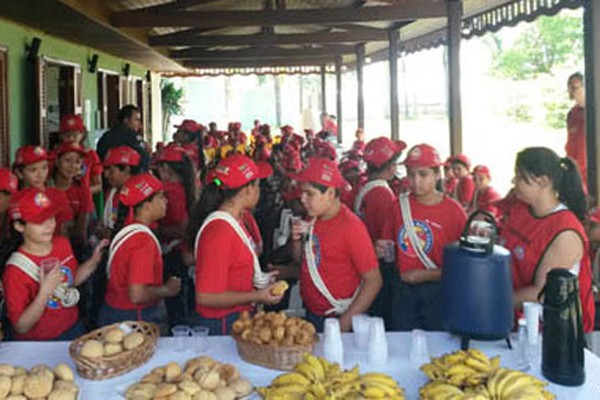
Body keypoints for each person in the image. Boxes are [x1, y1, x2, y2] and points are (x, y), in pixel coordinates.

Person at [499, 147, 595, 333]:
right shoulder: (520, 208)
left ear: (543, 182)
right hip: (514, 318)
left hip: (555, 332)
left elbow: (540, 292)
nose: (513, 181)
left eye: (519, 177)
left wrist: (490, 302)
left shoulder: (565, 231)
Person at [189, 155, 283, 335]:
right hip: (222, 324)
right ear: (248, 189)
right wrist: (258, 296)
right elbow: (205, 297)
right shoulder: (219, 231)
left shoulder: (236, 220)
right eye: (257, 185)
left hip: (237, 318)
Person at [381, 144, 467, 331]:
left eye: (423, 174)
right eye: (411, 174)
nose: (415, 181)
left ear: (437, 175)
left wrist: (425, 275)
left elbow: (462, 266)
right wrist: (380, 249)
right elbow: (389, 247)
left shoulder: (453, 212)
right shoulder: (398, 207)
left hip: (438, 291)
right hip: (403, 291)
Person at [2, 188, 107, 340]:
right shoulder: (15, 272)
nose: (49, 225)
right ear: (19, 226)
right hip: (40, 343)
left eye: (51, 217)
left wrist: (93, 262)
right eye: (39, 221)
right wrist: (44, 292)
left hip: (73, 328)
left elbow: (72, 279)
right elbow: (21, 325)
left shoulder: (62, 244)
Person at [291, 157, 382, 332]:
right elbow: (303, 261)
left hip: (340, 317)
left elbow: (374, 281)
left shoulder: (351, 228)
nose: (302, 199)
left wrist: (345, 323)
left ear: (331, 194)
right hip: (313, 314)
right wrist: (296, 241)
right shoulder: (312, 219)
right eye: (302, 193)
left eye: (309, 194)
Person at [99, 173, 181, 326]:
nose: (166, 201)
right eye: (161, 197)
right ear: (147, 206)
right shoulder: (142, 241)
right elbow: (137, 295)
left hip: (115, 310)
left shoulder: (128, 230)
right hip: (135, 317)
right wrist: (168, 290)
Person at [355, 137, 405, 327]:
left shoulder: (367, 186)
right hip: (379, 264)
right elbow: (385, 236)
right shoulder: (382, 194)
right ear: (391, 167)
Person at [155, 145, 197, 326]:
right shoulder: (187, 186)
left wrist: (156, 229)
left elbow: (182, 228)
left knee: (177, 305)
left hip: (175, 252)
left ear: (166, 168)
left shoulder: (172, 191)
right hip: (180, 251)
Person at [12, 145, 73, 237]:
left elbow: (66, 230)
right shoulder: (14, 200)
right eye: (33, 170)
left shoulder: (58, 195)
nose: (40, 174)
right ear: (19, 173)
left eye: (44, 168)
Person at [52, 143, 94, 247]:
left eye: (77, 162)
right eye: (67, 160)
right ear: (57, 161)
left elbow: (81, 231)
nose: (72, 166)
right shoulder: (46, 188)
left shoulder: (83, 191)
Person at [58, 114, 103, 195]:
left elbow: (99, 185)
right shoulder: (56, 154)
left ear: (82, 135)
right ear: (61, 136)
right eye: (67, 135)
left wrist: (81, 194)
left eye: (75, 135)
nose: (71, 138)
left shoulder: (90, 154)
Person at [96, 105, 149, 170]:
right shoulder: (133, 136)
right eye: (136, 120)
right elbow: (145, 158)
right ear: (126, 120)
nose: (139, 125)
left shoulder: (106, 136)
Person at [101, 146, 142, 230]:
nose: (106, 175)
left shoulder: (141, 196)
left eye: (111, 171)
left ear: (126, 169)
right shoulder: (111, 193)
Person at [566, 72, 587, 189]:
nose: (571, 91)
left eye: (574, 87)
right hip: (575, 170)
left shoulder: (595, 111)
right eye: (569, 87)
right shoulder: (572, 113)